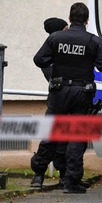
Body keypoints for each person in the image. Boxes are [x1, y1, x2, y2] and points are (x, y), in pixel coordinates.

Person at [31, 2, 102, 194]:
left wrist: (57, 61)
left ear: (69, 18)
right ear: (86, 20)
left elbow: (39, 59)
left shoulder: (55, 38)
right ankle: (71, 181)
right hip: (81, 93)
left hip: (59, 92)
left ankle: (38, 175)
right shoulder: (92, 41)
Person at [30, 17, 69, 190]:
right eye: (65, 28)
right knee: (51, 138)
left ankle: (63, 176)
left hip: (66, 98)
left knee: (65, 140)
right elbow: (52, 74)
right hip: (58, 99)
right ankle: (38, 174)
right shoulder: (50, 52)